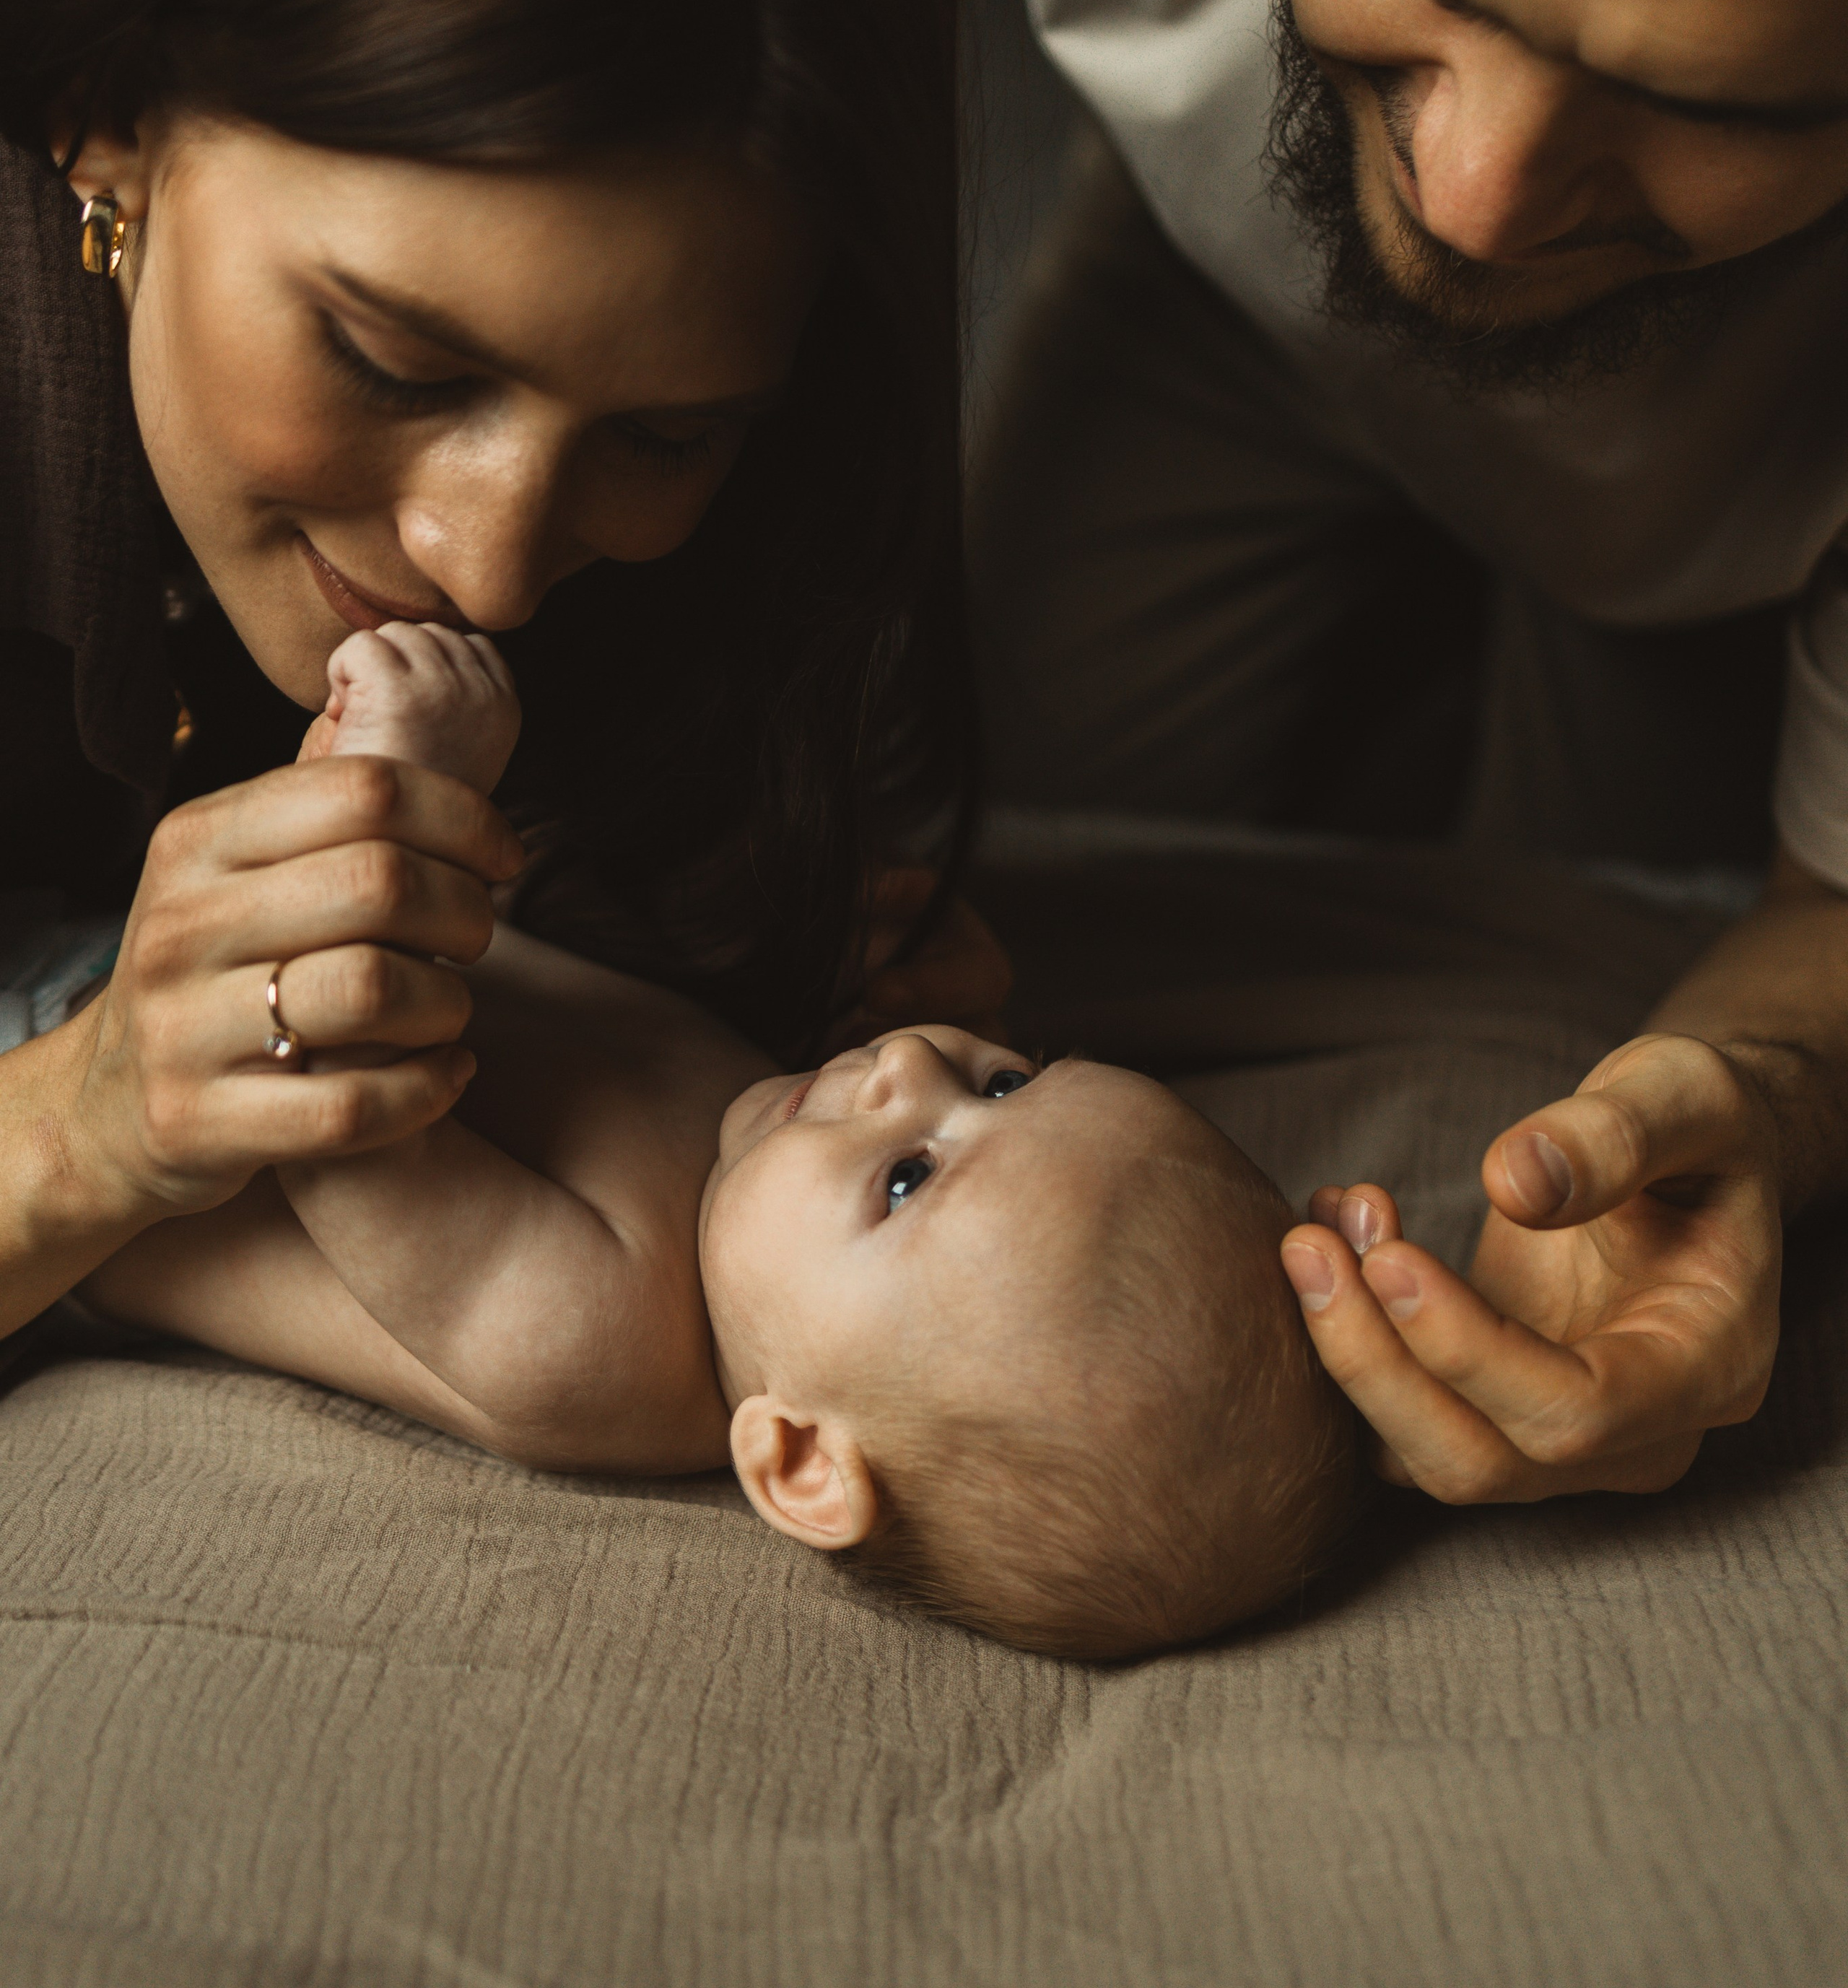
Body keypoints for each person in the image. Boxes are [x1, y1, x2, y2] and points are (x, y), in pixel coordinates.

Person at [862, 0, 1848, 1509]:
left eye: (1705, 98)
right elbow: (732, 145)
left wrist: (1756, 1079)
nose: (1481, 204)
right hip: (1217, 292)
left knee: (1577, 1033)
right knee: (1024, 844)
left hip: (1761, 535)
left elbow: (1824, 911)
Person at [0, 0, 1008, 1349]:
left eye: (662, 440)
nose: (486, 561)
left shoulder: (728, 557)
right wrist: (77, 1133)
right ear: (107, 110)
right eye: (391, 363)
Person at [67, 620, 1361, 1662]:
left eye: (912, 1177)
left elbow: (328, 1106)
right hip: (114, 956)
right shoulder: (767, 1174)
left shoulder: (596, 1340)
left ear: (796, 1458)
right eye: (1011, 1083)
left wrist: (397, 793)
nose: (913, 1070)